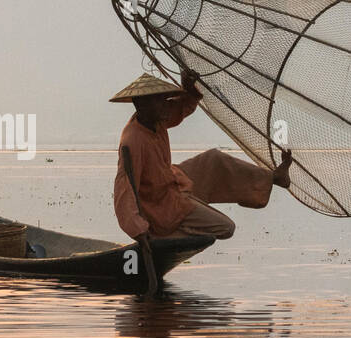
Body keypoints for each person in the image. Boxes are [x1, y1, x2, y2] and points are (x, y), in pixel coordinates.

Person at [111, 71, 291, 247]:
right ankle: (162, 240)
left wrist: (189, 89)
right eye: (160, 102)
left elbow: (181, 107)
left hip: (174, 179)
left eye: (165, 100)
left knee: (214, 160)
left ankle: (274, 177)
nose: (167, 106)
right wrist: (138, 229)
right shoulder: (132, 141)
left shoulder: (156, 120)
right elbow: (125, 188)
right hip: (160, 202)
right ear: (142, 105)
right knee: (226, 227)